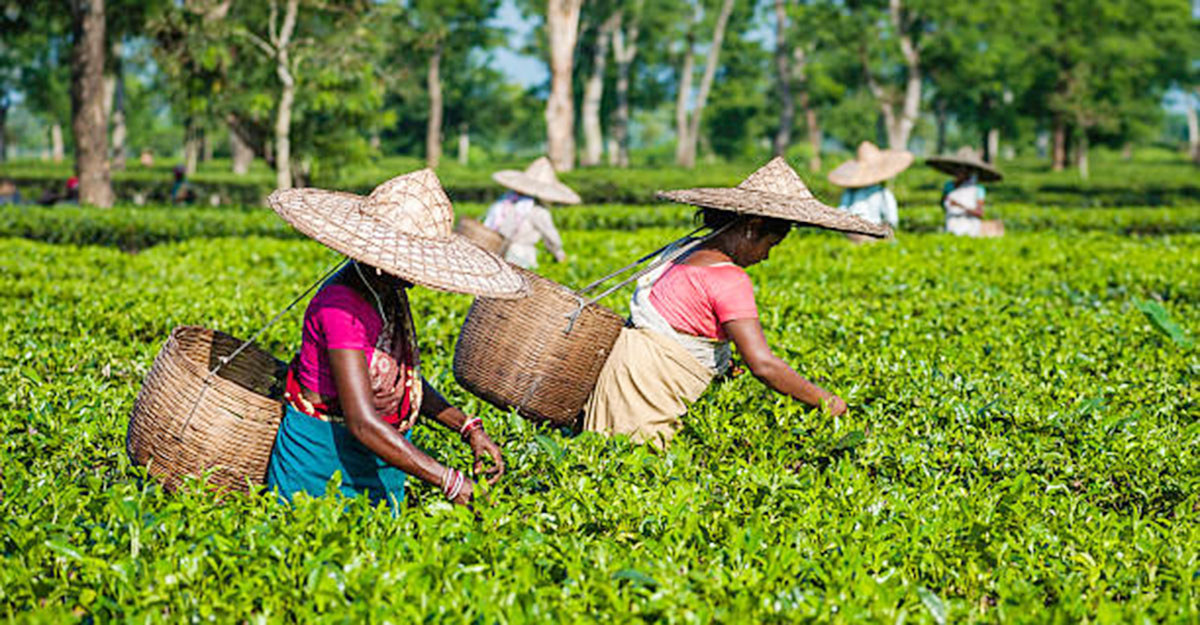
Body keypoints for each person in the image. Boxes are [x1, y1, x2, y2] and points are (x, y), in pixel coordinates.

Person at [265, 168, 530, 509]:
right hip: (321, 469)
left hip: (379, 460)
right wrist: (449, 480)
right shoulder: (342, 307)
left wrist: (469, 427)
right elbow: (362, 422)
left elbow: (404, 380)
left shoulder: (384, 290)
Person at [583, 158, 891, 448]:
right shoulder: (730, 278)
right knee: (640, 466)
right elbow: (764, 365)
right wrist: (830, 402)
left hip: (621, 380)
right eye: (770, 244)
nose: (766, 256)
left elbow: (682, 326)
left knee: (609, 457)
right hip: (649, 396)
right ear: (752, 228)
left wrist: (718, 360)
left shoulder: (684, 249)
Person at [483, 156, 581, 269]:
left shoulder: (506, 202)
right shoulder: (537, 211)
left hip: (497, 251)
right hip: (522, 255)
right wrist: (560, 255)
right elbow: (551, 237)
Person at [827, 141, 913, 243]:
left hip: (855, 234)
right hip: (872, 233)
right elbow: (892, 218)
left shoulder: (851, 192)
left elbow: (841, 212)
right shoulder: (882, 192)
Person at [927, 147, 1005, 238]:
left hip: (971, 228)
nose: (960, 172)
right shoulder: (949, 186)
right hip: (951, 225)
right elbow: (943, 204)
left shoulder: (978, 189)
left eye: (964, 170)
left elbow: (979, 213)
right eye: (958, 169)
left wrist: (960, 206)